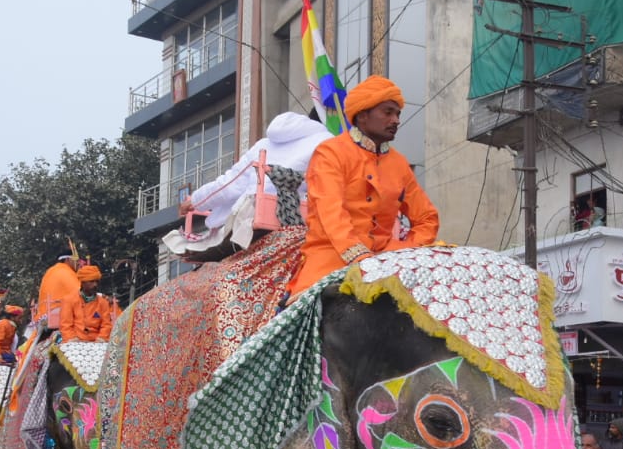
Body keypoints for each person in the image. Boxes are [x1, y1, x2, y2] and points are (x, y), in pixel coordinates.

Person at [287, 75, 440, 296]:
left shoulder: (399, 164)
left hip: (388, 257)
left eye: (397, 114)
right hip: (331, 255)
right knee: (301, 316)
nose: (396, 120)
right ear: (362, 116)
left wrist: (408, 250)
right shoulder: (330, 153)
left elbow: (427, 218)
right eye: (388, 112)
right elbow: (331, 211)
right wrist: (358, 255)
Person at [170, 111, 331, 256]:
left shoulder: (264, 144)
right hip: (298, 218)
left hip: (252, 216)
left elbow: (231, 183)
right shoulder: (330, 143)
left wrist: (196, 201)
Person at [61, 265, 115, 343]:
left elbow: (106, 325)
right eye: (91, 281)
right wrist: (73, 340)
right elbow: (66, 325)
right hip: (74, 341)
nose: (95, 285)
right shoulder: (69, 300)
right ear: (82, 283)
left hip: (97, 342)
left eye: (96, 282)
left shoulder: (103, 303)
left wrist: (101, 339)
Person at [36, 253, 82, 330]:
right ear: (68, 259)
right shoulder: (65, 272)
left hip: (44, 314)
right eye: (76, 260)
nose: (78, 263)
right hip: (58, 312)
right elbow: (80, 292)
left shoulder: (51, 270)